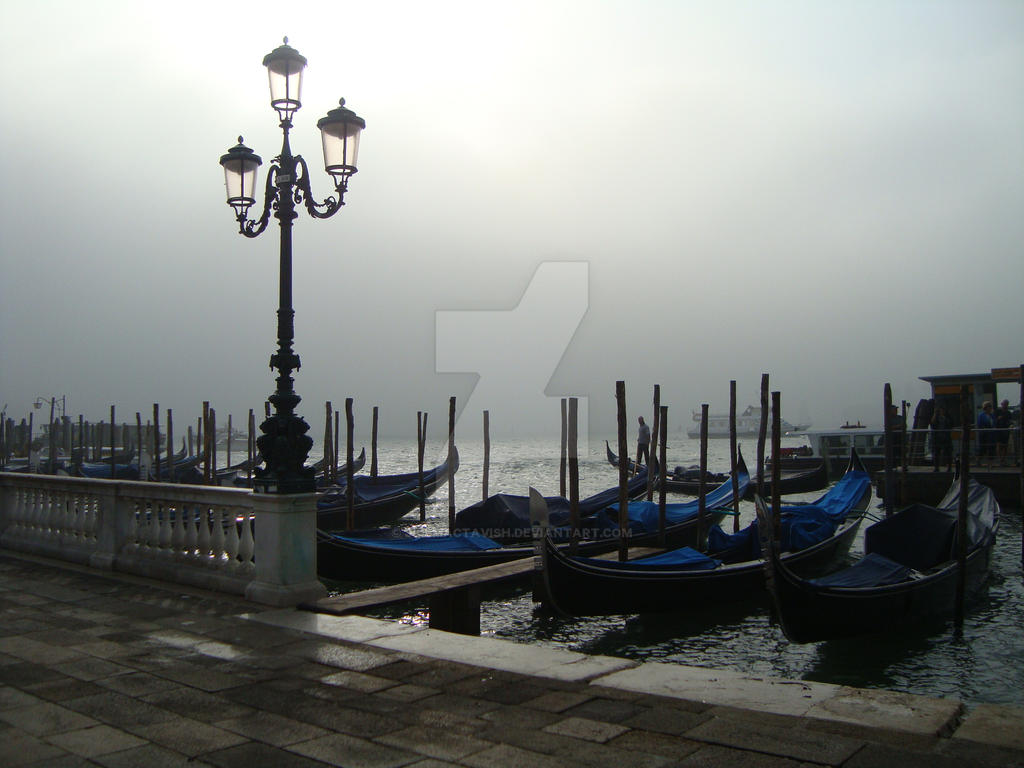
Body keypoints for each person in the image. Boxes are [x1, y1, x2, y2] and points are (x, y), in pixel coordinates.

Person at [930, 406, 953, 472]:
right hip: (938, 438)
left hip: (946, 437)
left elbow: (951, 424)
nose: (942, 411)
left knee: (948, 453)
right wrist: (935, 414)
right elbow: (933, 425)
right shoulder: (936, 418)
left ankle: (949, 467)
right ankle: (936, 467)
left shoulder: (948, 417)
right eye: (941, 410)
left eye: (943, 410)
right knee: (936, 453)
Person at [976, 401, 995, 466]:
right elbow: (979, 424)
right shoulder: (981, 415)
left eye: (990, 407)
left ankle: (990, 463)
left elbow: (994, 423)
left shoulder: (992, 415)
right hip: (984, 435)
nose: (990, 408)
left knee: (991, 449)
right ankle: (978, 461)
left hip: (991, 435)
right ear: (985, 408)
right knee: (983, 448)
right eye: (988, 407)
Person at [995, 399, 1013, 465]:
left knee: (1005, 446)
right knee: (999, 445)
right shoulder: (998, 411)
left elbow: (1010, 421)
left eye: (1006, 404)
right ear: (1002, 404)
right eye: (1004, 404)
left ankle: (1003, 459)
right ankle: (1000, 459)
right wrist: (998, 419)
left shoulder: (1008, 413)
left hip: (1006, 431)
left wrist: (1011, 425)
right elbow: (994, 420)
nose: (1005, 405)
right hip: (999, 430)